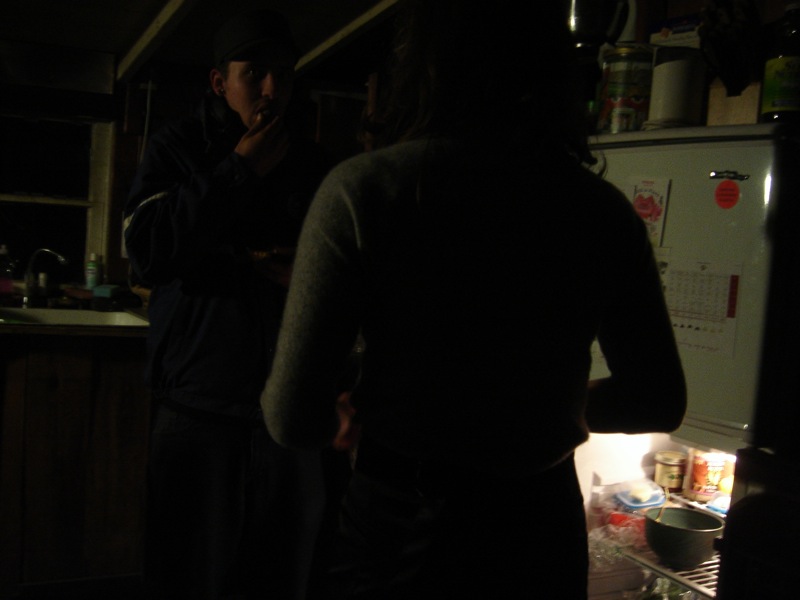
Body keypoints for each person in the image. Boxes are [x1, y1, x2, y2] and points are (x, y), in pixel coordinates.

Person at [261, 1, 687, 599]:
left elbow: (290, 415)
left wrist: (349, 415)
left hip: (400, 523)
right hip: (538, 527)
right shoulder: (602, 212)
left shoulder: (366, 191)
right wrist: (548, 406)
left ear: (422, 64)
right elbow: (657, 397)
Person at [123, 9, 333, 599]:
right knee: (187, 575)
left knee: (281, 576)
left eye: (284, 75)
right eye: (256, 72)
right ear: (221, 82)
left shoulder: (311, 162)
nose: (272, 89)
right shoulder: (180, 147)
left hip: (286, 409)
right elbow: (147, 253)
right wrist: (238, 170)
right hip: (197, 404)